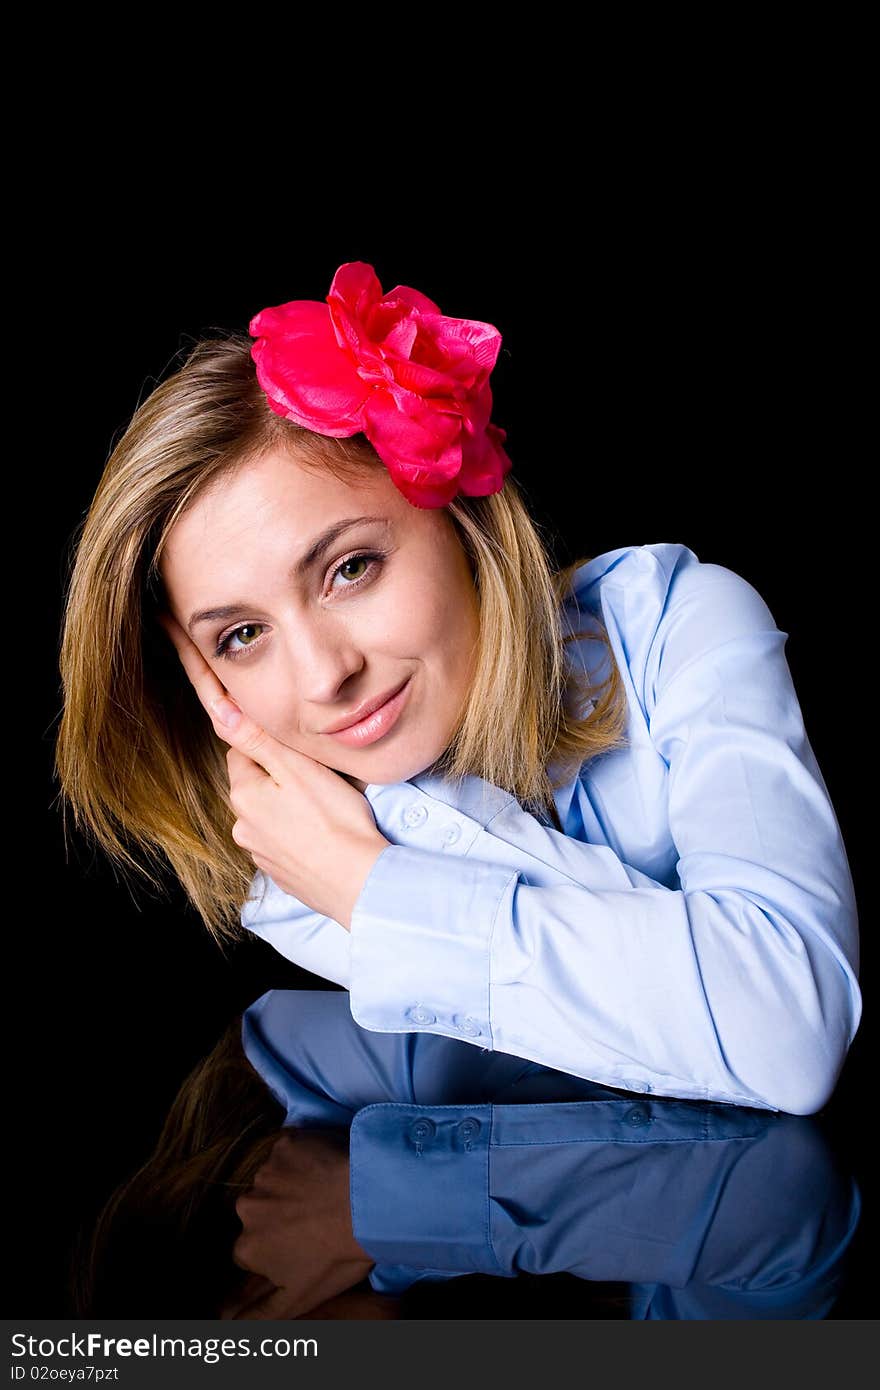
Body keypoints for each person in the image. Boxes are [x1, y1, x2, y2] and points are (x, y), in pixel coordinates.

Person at [55, 259, 861, 1116]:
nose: (327, 676)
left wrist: (373, 888)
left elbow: (785, 1026)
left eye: (350, 569)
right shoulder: (286, 855)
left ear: (460, 517)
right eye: (243, 636)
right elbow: (740, 1037)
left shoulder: (676, 625)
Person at [72, 988, 860, 1320]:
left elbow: (777, 1151)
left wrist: (381, 1206)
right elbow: (782, 1212)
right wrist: (380, 1212)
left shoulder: (338, 1085)